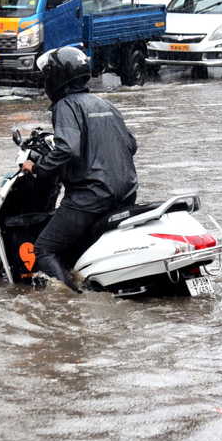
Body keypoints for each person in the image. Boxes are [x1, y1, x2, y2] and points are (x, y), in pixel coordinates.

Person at [23, 47, 139, 292]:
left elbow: (66, 149)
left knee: (43, 249)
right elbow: (131, 144)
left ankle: (68, 306)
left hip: (91, 197)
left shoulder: (66, 106)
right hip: (125, 194)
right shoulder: (105, 104)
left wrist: (37, 168)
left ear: (55, 78)